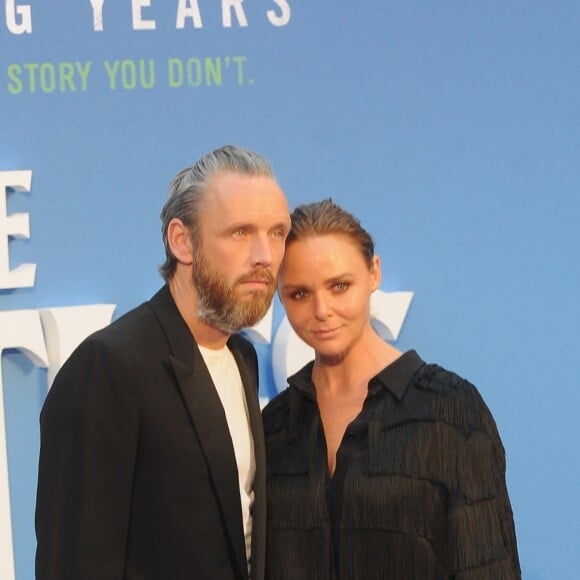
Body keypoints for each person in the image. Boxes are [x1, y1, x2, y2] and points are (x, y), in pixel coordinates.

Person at [35, 145, 291, 580]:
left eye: (278, 232)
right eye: (240, 232)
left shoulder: (241, 356)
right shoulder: (110, 366)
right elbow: (74, 563)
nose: (264, 255)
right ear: (182, 241)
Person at [262, 199, 521, 579]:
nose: (322, 309)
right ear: (281, 296)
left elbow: (489, 569)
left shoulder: (450, 411)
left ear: (374, 273)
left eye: (340, 286)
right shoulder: (274, 426)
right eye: (300, 293)